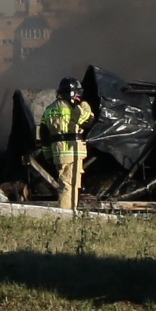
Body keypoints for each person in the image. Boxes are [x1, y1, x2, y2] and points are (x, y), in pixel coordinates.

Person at [42, 79, 95, 213]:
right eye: (77, 93)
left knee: (68, 183)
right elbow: (88, 120)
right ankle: (66, 214)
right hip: (72, 151)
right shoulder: (75, 108)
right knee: (69, 185)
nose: (79, 95)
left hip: (58, 152)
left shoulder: (49, 109)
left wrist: (48, 154)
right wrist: (82, 104)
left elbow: (44, 134)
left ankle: (70, 212)